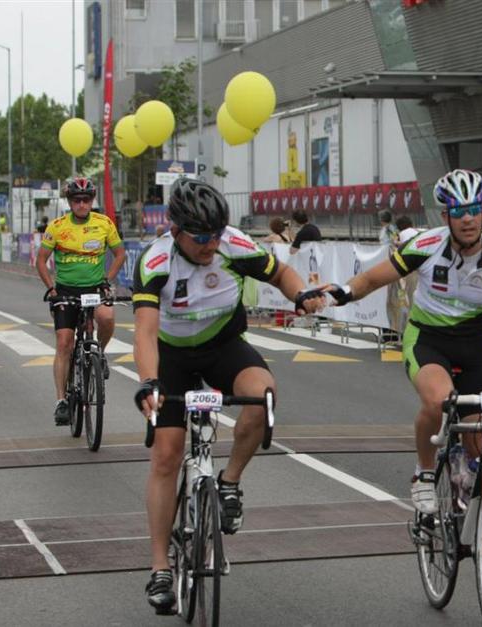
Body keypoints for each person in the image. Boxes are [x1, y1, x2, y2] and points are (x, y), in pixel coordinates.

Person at [131, 179, 327, 613]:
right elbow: (144, 332)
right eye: (201, 237)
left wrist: (300, 294)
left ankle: (229, 483)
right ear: (176, 230)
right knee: (166, 454)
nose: (210, 244)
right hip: (171, 355)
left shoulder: (232, 244)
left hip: (222, 345)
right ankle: (160, 566)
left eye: (216, 234)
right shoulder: (156, 261)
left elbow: (281, 273)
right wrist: (149, 381)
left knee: (263, 396)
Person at [325, 168, 482, 515]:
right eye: (458, 211)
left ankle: (481, 521)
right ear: (446, 217)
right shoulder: (425, 245)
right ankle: (424, 473)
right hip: (427, 339)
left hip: (474, 347)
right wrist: (345, 292)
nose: (468, 218)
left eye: (474, 210)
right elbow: (373, 278)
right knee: (439, 400)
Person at [36, 178, 126, 425]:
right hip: (65, 291)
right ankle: (61, 401)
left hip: (95, 288)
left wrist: (107, 280)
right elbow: (41, 260)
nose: (82, 204)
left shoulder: (104, 223)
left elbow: (120, 254)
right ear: (70, 202)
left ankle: (100, 354)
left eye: (86, 200)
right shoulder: (57, 227)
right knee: (64, 342)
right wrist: (51, 288)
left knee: (107, 318)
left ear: (92, 200)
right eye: (77, 200)